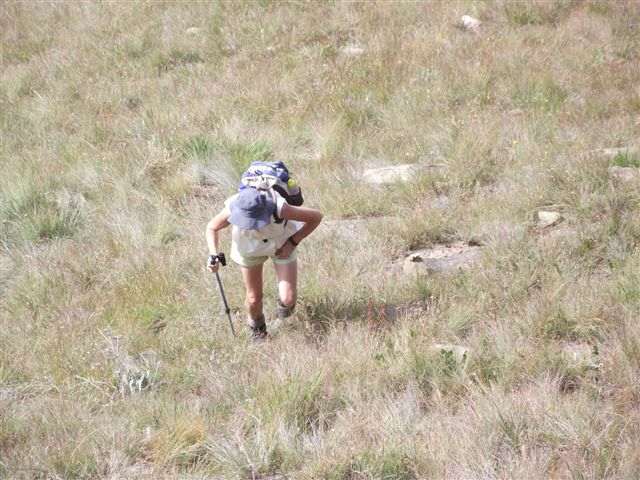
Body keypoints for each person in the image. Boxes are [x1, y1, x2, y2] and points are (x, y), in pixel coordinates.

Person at [206, 187, 323, 339]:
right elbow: (212, 227)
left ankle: (282, 320)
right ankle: (258, 333)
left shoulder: (280, 208)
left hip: (281, 244)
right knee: (253, 298)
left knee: (288, 298)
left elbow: (316, 217)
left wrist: (293, 242)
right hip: (248, 248)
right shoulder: (234, 205)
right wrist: (213, 254)